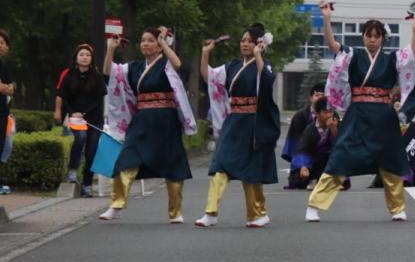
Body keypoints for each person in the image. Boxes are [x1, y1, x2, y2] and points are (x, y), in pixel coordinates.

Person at [305, 4, 415, 223]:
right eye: (369, 35)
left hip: (384, 117)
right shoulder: (353, 55)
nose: (372, 39)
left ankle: (397, 208)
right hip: (357, 114)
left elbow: (412, 55)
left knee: (391, 161)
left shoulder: (391, 59)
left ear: (382, 39)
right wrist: (327, 18)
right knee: (340, 157)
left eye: (377, 36)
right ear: (363, 37)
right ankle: (314, 204)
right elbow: (332, 44)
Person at [99, 28, 197, 222]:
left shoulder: (166, 63)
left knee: (173, 164)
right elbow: (108, 72)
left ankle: (175, 211)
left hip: (166, 120)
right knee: (126, 158)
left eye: (150, 40)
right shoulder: (135, 67)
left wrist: (165, 44)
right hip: (142, 119)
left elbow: (177, 64)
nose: (145, 44)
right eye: (143, 40)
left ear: (158, 45)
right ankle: (116, 204)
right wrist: (110, 49)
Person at [195, 24, 280, 228]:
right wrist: (205, 55)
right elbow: (209, 77)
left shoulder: (264, 65)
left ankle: (258, 213)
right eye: (243, 40)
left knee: (250, 172)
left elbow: (267, 81)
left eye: (250, 41)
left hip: (254, 123)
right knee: (220, 164)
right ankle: (211, 211)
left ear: (259, 43)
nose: (245, 43)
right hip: (234, 122)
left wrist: (259, 56)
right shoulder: (232, 66)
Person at [55, 43, 107, 197]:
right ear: (76, 58)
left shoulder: (96, 76)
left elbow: (99, 99)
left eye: (88, 55)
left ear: (92, 59)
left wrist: (84, 112)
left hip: (94, 119)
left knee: (91, 152)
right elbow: (64, 96)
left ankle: (87, 185)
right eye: (81, 55)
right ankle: (72, 170)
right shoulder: (69, 75)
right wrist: (73, 113)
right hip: (76, 118)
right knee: (80, 137)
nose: (84, 57)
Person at [292, 99, 339, 189]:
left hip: (331, 162)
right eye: (325, 112)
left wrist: (333, 129)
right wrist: (304, 166)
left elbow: (341, 146)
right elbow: (303, 149)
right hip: (315, 163)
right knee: (301, 176)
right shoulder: (310, 129)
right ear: (317, 114)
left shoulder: (336, 124)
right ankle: (313, 178)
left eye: (331, 112)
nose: (329, 115)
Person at [282, 84, 323, 184]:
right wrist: (303, 164)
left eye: (323, 96)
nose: (320, 98)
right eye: (317, 95)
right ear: (311, 98)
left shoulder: (330, 114)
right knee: (299, 180)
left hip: (324, 154)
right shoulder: (300, 116)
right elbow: (297, 144)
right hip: (304, 154)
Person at [0, 29, 12, 195]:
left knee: (2, 146)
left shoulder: (4, 66)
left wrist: (4, 88)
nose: (0, 46)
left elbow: (11, 88)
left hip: (2, 112)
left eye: (2, 43)